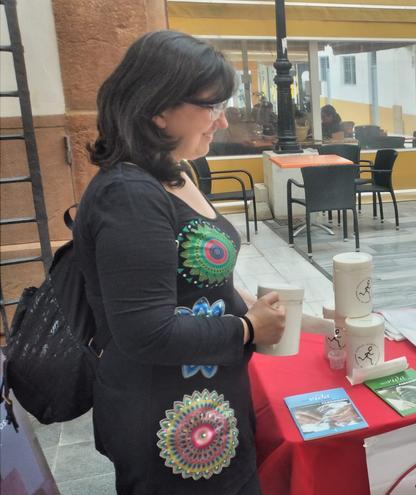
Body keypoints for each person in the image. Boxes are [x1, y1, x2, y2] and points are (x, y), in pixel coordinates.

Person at [76, 31, 286, 494]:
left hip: (209, 406)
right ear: (159, 108)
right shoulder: (129, 195)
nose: (224, 121)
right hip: (163, 420)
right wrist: (248, 329)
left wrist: (280, 311)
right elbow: (146, 331)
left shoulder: (175, 171)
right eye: (212, 107)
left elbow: (198, 285)